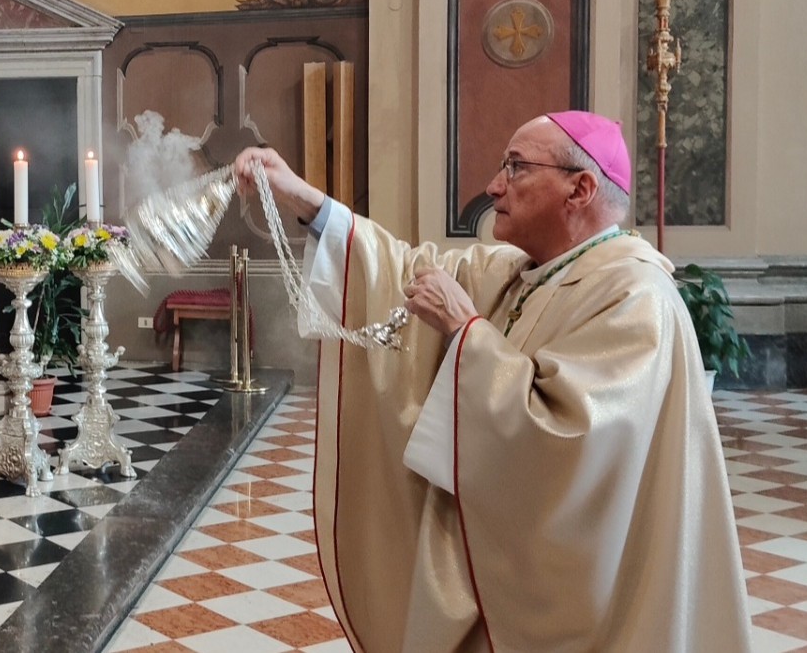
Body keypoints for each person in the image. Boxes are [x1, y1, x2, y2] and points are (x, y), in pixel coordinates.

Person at [233, 111, 751, 653]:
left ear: (581, 188)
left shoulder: (634, 297)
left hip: (583, 597)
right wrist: (302, 199)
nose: (493, 186)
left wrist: (464, 331)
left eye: (517, 167)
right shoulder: (523, 269)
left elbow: (570, 441)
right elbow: (401, 266)